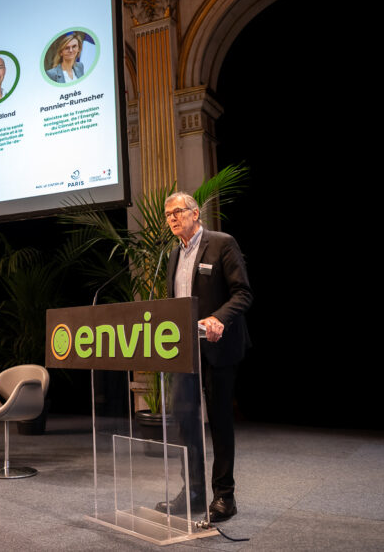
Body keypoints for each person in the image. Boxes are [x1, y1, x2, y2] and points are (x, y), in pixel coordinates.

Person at [156, 191, 252, 523]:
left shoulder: (222, 243)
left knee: (220, 422)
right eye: (168, 214)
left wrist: (218, 318)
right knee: (185, 423)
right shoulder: (172, 255)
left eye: (178, 211)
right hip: (184, 351)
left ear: (196, 213)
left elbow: (243, 293)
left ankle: (225, 496)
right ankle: (193, 492)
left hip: (219, 348)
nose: (172, 218)